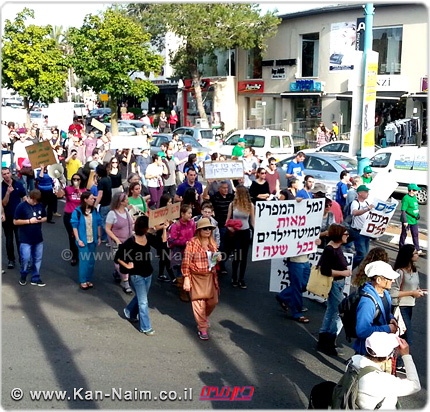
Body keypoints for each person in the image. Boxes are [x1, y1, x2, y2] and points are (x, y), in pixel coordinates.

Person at [350, 332, 421, 409]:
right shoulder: (383, 380)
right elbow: (415, 385)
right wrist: (406, 355)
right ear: (388, 357)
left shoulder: (354, 361)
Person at [115, 216, 156, 336]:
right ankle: (145, 327)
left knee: (140, 297)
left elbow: (162, 243)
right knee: (143, 302)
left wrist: (163, 229)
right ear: (144, 228)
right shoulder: (130, 242)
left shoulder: (148, 237)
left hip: (148, 273)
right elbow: (117, 257)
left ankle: (129, 312)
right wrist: (127, 266)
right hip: (137, 276)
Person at [182, 218, 221, 340]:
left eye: (210, 228)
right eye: (205, 228)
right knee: (198, 304)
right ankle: (202, 328)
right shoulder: (191, 243)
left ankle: (203, 318)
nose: (208, 230)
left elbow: (213, 262)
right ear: (199, 230)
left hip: (210, 276)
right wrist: (187, 278)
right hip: (196, 277)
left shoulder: (212, 243)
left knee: (213, 301)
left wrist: (217, 257)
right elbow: (186, 262)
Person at [316, 224, 352, 356]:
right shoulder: (330, 249)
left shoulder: (337, 247)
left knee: (331, 310)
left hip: (338, 284)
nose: (348, 236)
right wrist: (344, 273)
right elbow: (325, 270)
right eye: (345, 234)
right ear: (338, 235)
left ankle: (323, 339)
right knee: (340, 312)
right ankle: (330, 340)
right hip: (335, 284)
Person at [353, 261, 399, 357]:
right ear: (378, 280)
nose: (393, 281)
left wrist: (390, 318)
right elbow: (362, 331)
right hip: (368, 351)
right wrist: (388, 328)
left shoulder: (385, 294)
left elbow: (385, 312)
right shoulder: (367, 302)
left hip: (380, 348)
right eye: (389, 278)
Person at [391, 245, 424, 348]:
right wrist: (412, 293)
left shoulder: (414, 270)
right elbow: (392, 293)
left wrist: (419, 291)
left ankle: (397, 361)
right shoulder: (399, 272)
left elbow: (415, 286)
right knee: (407, 338)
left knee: (402, 336)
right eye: (415, 253)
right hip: (400, 307)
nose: (417, 254)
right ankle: (400, 362)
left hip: (410, 306)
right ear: (409, 256)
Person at [13, 189, 47, 286]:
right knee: (26, 258)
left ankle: (35, 277)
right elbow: (15, 221)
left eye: (37, 201)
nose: (35, 203)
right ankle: (23, 275)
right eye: (34, 201)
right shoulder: (21, 206)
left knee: (37, 259)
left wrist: (41, 220)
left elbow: (45, 217)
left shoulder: (40, 205)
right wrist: (29, 221)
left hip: (38, 237)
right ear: (30, 197)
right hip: (25, 238)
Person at [71, 192, 103, 290]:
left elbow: (98, 223)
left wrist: (99, 237)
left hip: (92, 240)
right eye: (91, 198)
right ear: (85, 200)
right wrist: (78, 239)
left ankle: (89, 279)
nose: (93, 200)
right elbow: (74, 226)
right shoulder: (77, 211)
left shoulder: (94, 211)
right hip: (83, 241)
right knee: (84, 260)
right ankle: (83, 280)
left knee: (91, 261)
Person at [226, 185, 255, 289]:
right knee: (238, 256)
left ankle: (241, 278)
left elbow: (252, 221)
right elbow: (228, 220)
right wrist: (229, 228)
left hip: (246, 232)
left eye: (236, 192)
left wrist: (256, 233)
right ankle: (234, 277)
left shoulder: (250, 205)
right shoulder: (232, 205)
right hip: (236, 233)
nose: (234, 194)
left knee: (244, 258)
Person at [105, 192, 135, 293]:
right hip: (118, 243)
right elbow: (108, 229)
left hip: (128, 241)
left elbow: (130, 224)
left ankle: (118, 273)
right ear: (121, 202)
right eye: (126, 199)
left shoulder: (126, 211)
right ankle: (125, 282)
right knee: (120, 262)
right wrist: (116, 240)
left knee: (127, 260)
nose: (128, 201)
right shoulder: (112, 214)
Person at [168, 204, 196, 301]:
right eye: (188, 213)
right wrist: (185, 242)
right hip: (179, 251)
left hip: (190, 251)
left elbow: (195, 234)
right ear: (182, 214)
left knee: (190, 269)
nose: (190, 215)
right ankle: (182, 291)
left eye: (191, 213)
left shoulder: (192, 224)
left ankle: (188, 287)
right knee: (180, 271)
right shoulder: (176, 226)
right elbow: (172, 240)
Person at [275, 248, 311, 323]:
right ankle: (297, 314)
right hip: (295, 261)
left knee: (305, 285)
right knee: (297, 287)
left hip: (306, 260)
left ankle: (283, 296)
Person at [206, 181, 234, 275]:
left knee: (229, 247)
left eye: (227, 188)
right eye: (223, 188)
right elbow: (205, 198)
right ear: (219, 189)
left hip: (230, 226)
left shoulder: (231, 197)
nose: (226, 189)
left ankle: (222, 262)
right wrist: (208, 185)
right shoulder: (215, 197)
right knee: (218, 247)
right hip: (220, 226)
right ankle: (215, 265)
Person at [2, 167, 26, 269]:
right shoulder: (1, 187)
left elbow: (24, 198)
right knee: (9, 240)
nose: (6, 176)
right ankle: (11, 260)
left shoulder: (18, 184)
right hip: (7, 217)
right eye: (4, 174)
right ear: (1, 175)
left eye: (8, 173)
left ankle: (23, 260)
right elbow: (3, 203)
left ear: (11, 173)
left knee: (20, 239)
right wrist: (8, 193)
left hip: (18, 217)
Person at [147, 194, 175, 282]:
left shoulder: (171, 212)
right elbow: (156, 227)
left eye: (171, 202)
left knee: (164, 257)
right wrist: (165, 225)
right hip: (159, 237)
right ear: (164, 203)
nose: (171, 204)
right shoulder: (158, 213)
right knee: (166, 257)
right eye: (169, 202)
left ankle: (161, 274)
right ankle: (173, 277)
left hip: (168, 237)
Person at [63, 174, 86, 266]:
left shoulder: (84, 190)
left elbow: (86, 200)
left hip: (80, 216)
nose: (75, 181)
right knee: (72, 236)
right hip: (69, 215)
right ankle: (74, 256)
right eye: (74, 179)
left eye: (78, 179)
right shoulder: (68, 189)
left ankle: (81, 254)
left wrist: (79, 191)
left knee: (80, 235)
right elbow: (59, 194)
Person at [350, 185, 374, 269]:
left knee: (365, 255)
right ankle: (349, 268)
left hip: (366, 231)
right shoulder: (355, 203)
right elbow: (355, 212)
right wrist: (367, 209)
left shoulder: (367, 203)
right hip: (358, 232)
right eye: (366, 192)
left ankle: (359, 272)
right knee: (362, 254)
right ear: (360, 193)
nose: (368, 193)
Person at [399, 183, 422, 253]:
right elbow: (403, 210)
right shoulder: (406, 198)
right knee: (404, 234)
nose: (416, 192)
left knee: (415, 234)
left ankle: (417, 248)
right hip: (407, 219)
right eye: (415, 190)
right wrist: (405, 221)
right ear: (411, 190)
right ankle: (401, 247)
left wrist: (417, 214)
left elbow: (415, 207)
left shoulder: (414, 197)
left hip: (414, 219)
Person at [94, 165, 112, 243]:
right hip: (109, 202)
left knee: (102, 222)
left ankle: (109, 237)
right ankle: (104, 237)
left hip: (104, 204)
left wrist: (95, 205)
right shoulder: (108, 178)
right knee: (108, 221)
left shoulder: (101, 181)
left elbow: (100, 194)